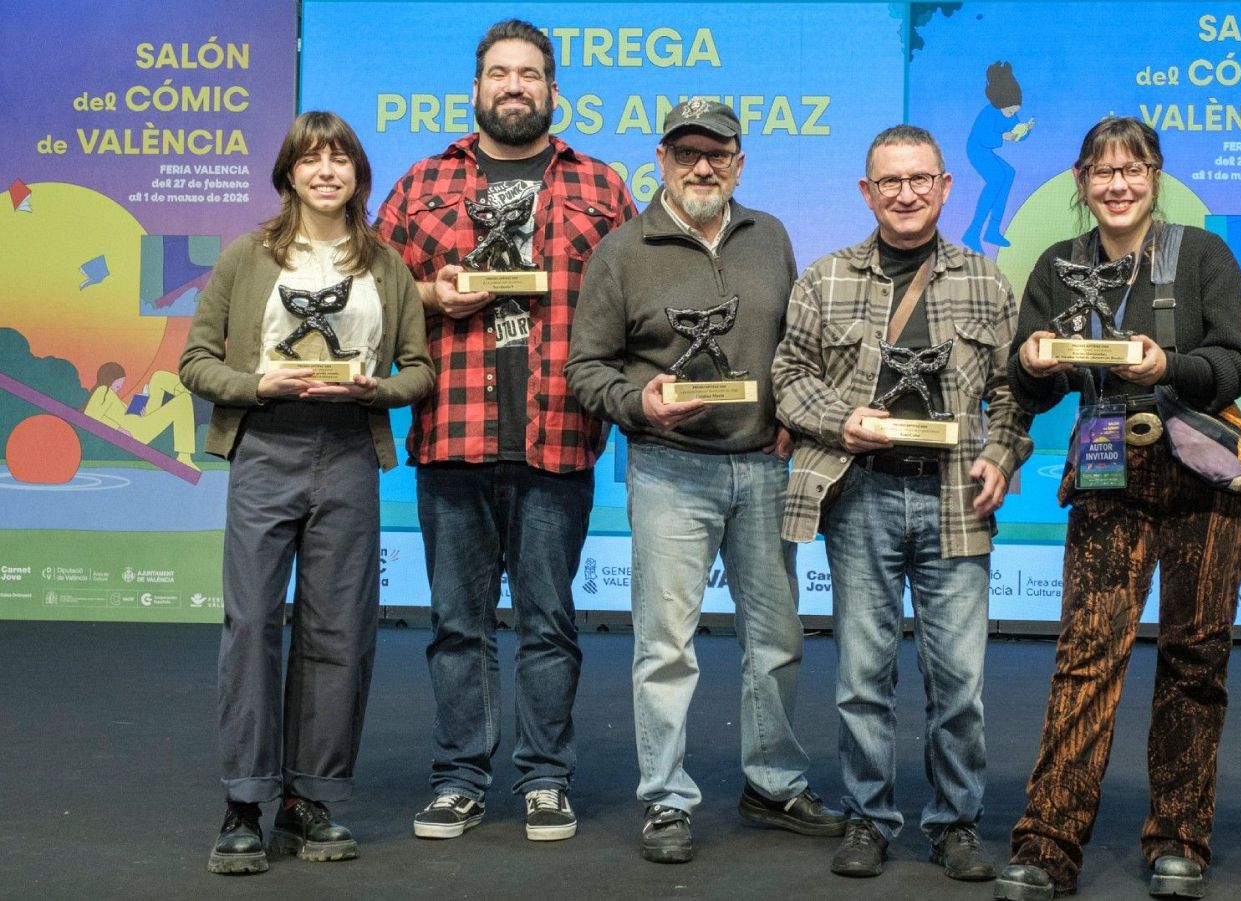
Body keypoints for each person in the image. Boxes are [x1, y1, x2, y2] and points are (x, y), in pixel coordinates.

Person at [565, 97, 846, 864]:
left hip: (763, 467)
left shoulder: (772, 236)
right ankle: (664, 797)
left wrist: (794, 409)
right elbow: (586, 369)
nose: (701, 166)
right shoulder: (622, 250)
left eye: (716, 153)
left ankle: (774, 781)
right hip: (667, 469)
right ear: (659, 160)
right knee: (665, 646)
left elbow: (797, 348)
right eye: (685, 152)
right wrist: (639, 402)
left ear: (739, 163)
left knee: (779, 638)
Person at [374, 19, 633, 843]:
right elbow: (369, 299)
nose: (514, 85)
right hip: (451, 435)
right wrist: (429, 295)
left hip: (558, 435)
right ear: (476, 88)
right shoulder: (420, 184)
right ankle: (459, 776)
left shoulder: (602, 185)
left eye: (529, 73)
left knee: (550, 623)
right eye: (499, 73)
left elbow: (634, 302)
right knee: (458, 622)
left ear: (553, 90)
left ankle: (545, 778)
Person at [992, 117, 1241, 901]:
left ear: (1156, 175)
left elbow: (1234, 364)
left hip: (1203, 479)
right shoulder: (1058, 264)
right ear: (1081, 180)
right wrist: (1033, 360)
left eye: (1133, 168)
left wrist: (1166, 362)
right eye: (1102, 171)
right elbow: (1030, 386)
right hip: (1109, 468)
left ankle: (1180, 837)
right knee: (1086, 654)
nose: (1118, 184)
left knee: (1193, 658)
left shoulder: (1202, 255)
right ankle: (1048, 842)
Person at [772, 124, 1032, 882]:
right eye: (890, 181)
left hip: (956, 497)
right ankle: (868, 816)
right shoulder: (825, 278)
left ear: (947, 186)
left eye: (921, 179)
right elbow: (789, 374)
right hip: (861, 495)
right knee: (862, 676)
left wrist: (1001, 451)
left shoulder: (986, 281)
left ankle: (955, 821)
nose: (906, 193)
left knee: (959, 681)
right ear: (867, 191)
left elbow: (1016, 389)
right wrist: (836, 419)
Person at [179, 110, 434, 875]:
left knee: (339, 631)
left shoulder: (386, 263)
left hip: (349, 447)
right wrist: (258, 382)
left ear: (358, 173)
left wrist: (377, 386)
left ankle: (310, 800)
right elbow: (195, 361)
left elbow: (418, 369)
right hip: (268, 445)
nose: (327, 171)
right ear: (288, 173)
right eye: (311, 159)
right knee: (252, 622)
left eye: (341, 160)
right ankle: (245, 802)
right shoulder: (244, 257)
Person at [962, 61, 1032, 252]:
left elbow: (1015, 132)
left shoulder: (1010, 114)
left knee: (1008, 173)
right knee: (997, 178)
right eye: (1010, 111)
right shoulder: (988, 114)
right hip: (977, 149)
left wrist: (1025, 131)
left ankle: (992, 229)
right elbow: (983, 139)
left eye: (1015, 112)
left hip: (986, 150)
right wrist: (1002, 136)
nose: (1012, 115)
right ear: (1001, 102)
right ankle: (973, 231)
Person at [83, 362, 199, 469]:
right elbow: (90, 415)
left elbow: (124, 415)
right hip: (136, 431)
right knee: (183, 400)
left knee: (158, 377)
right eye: (119, 383)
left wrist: (138, 409)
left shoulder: (109, 393)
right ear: (110, 378)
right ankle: (184, 457)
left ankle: (190, 388)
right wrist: (118, 429)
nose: (121, 386)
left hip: (139, 421)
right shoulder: (102, 390)